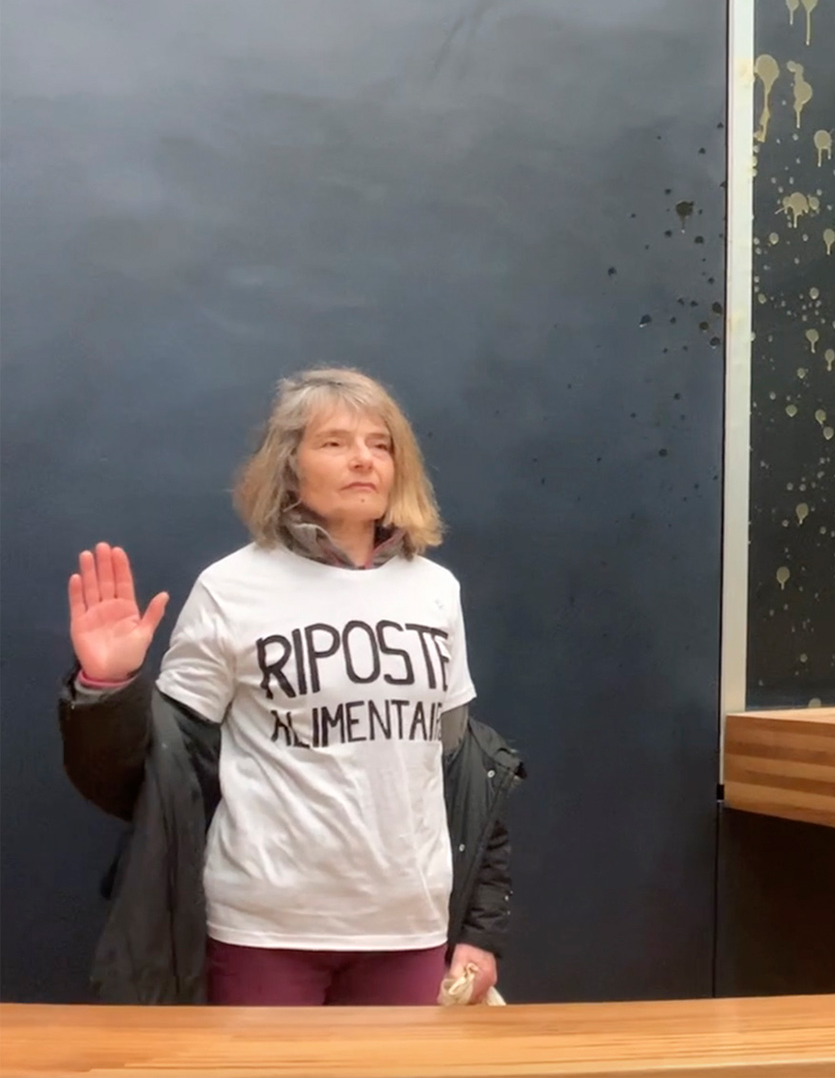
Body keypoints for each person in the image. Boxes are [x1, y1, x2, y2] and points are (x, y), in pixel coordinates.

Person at [58, 367, 523, 1005]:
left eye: (380, 444)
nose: (363, 458)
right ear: (288, 467)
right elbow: (161, 775)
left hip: (409, 928)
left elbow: (460, 773)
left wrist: (480, 930)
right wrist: (107, 686)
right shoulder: (231, 588)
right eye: (334, 442)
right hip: (263, 929)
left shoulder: (436, 591)